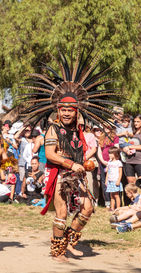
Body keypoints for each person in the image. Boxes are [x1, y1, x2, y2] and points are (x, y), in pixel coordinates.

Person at [15, 49, 121, 262]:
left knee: (88, 208)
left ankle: (69, 241)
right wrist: (70, 164)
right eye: (62, 109)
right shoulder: (53, 129)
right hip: (60, 174)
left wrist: (85, 163)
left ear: (76, 112)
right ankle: (58, 252)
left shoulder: (79, 130)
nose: (65, 113)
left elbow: (80, 151)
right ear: (57, 110)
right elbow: (52, 155)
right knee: (61, 213)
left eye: (69, 110)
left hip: (76, 174)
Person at [125, 115, 141, 184]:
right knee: (131, 183)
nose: (135, 123)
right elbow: (124, 145)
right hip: (129, 161)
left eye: (138, 122)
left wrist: (130, 147)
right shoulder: (131, 133)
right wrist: (126, 149)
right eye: (134, 121)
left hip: (140, 161)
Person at [99, 123, 119, 208]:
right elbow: (99, 150)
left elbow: (116, 149)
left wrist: (110, 162)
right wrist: (103, 161)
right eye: (105, 126)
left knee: (114, 181)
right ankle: (107, 202)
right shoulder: (101, 137)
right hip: (103, 162)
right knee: (104, 182)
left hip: (113, 163)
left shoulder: (115, 137)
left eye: (108, 126)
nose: (106, 128)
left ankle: (115, 203)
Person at [105, 147, 123, 211]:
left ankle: (118, 208)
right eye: (109, 153)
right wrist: (106, 180)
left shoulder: (118, 162)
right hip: (110, 181)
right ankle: (112, 208)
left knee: (116, 195)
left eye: (111, 153)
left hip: (115, 180)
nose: (109, 155)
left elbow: (120, 172)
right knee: (111, 196)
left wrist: (118, 180)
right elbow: (108, 172)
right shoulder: (109, 162)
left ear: (116, 154)